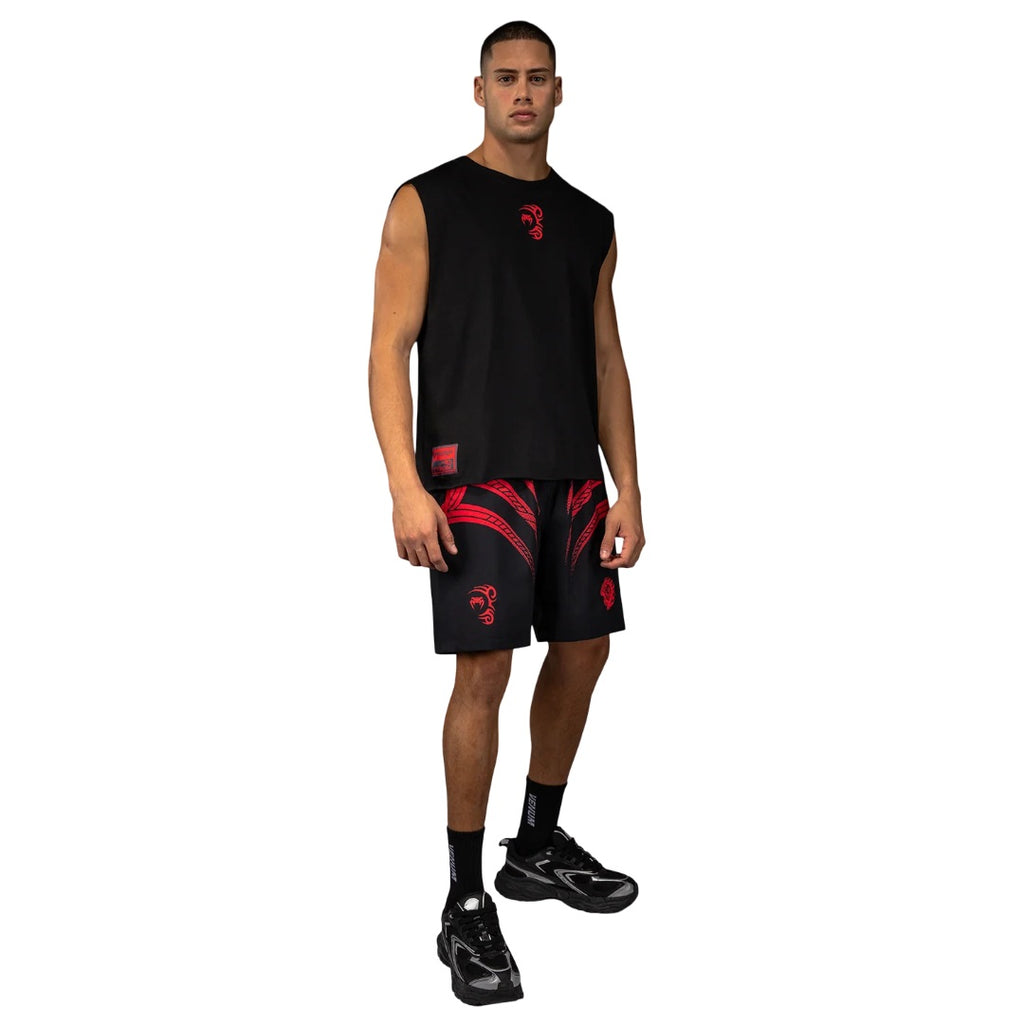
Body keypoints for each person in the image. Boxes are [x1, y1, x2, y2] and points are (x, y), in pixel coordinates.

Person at [368, 20, 645, 1006]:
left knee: (586, 650)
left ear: (559, 91)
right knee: (483, 670)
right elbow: (386, 350)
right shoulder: (426, 202)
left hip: (571, 476)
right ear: (478, 89)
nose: (522, 92)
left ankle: (537, 842)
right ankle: (463, 900)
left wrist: (628, 486)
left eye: (537, 78)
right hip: (474, 477)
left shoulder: (590, 220)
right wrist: (405, 485)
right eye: (505, 78)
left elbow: (606, 358)